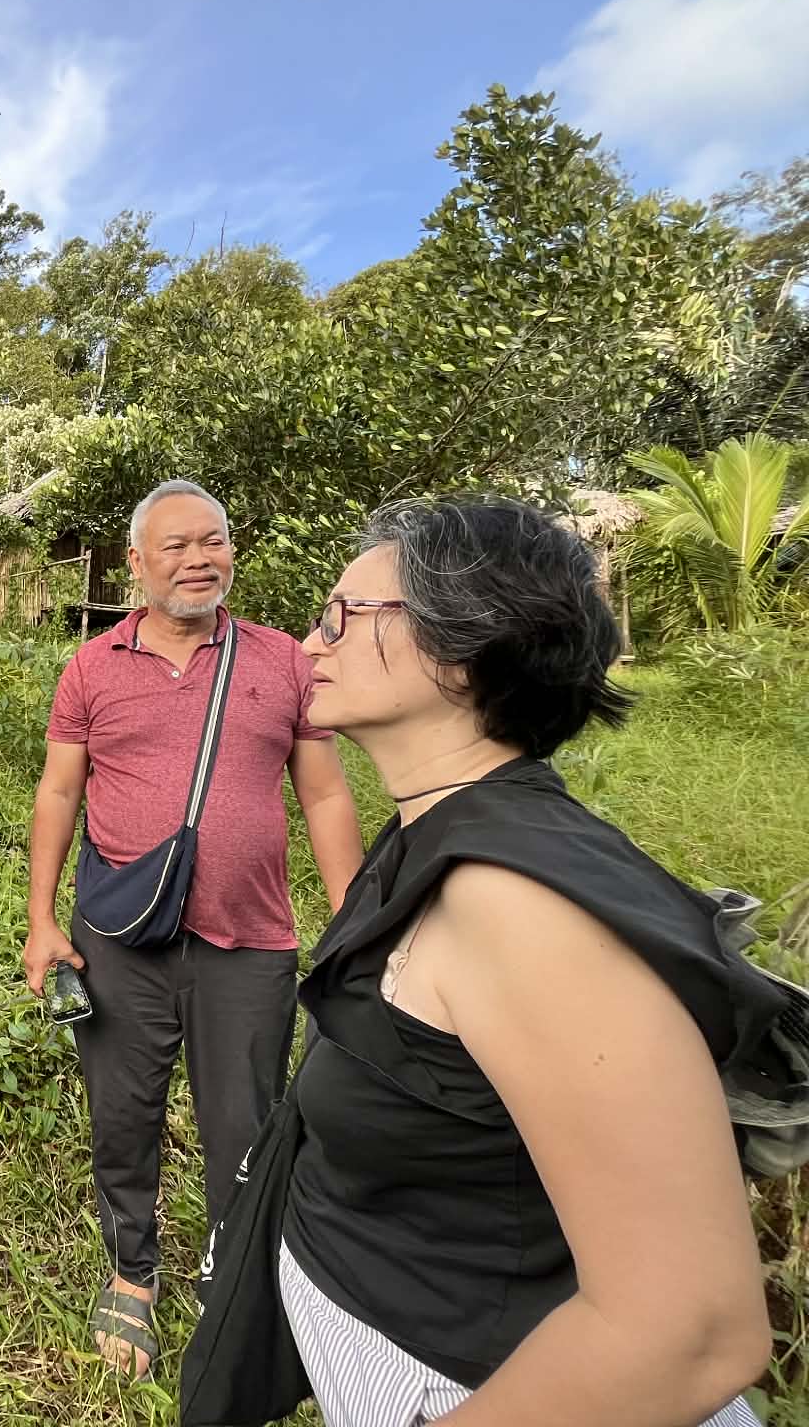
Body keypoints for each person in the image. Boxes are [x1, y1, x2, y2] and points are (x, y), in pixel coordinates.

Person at [272, 496, 772, 1426]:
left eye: (344, 615)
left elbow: (692, 1330)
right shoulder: (444, 827)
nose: (311, 641)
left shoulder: (521, 908)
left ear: (463, 650)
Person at [22, 480, 364, 1378]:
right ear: (136, 563)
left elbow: (323, 792)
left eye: (212, 541)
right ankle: (133, 1271)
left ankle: (231, 1269)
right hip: (120, 939)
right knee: (122, 1114)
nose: (198, 559)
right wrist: (40, 920)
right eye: (175, 546)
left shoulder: (285, 660)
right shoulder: (93, 666)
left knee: (245, 1124)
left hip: (251, 942)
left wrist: (357, 921)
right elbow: (59, 791)